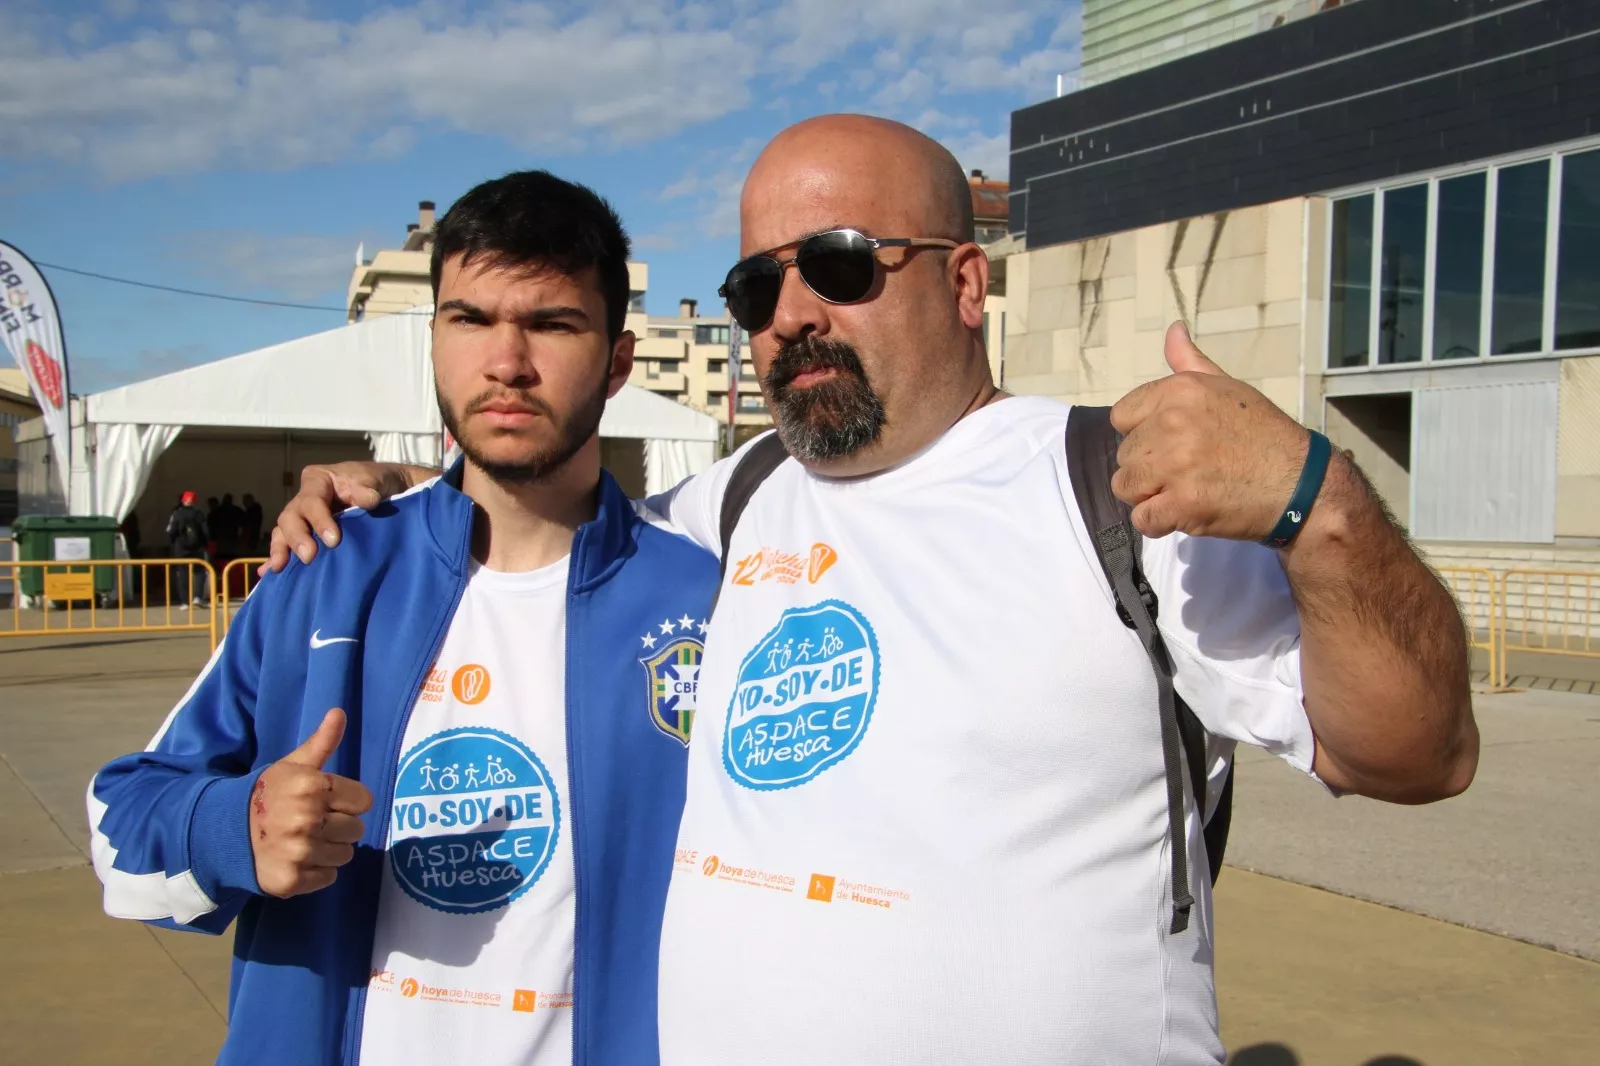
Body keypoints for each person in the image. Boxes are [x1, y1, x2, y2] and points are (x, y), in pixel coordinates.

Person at [269, 115, 1478, 1064]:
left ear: (963, 283)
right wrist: (381, 489)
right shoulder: (725, 508)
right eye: (754, 287)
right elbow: (531, 516)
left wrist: (1321, 507)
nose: (791, 313)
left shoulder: (1117, 488)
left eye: (840, 265)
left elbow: (1412, 755)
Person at [89, 171, 717, 1065]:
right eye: (470, 319)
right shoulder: (321, 572)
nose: (507, 362)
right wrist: (238, 826)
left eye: (551, 323)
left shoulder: (706, 599)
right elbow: (118, 835)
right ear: (432, 341)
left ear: (618, 361)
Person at [164, 490, 209, 607]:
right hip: (197, 548)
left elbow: (171, 531)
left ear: (183, 500)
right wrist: (205, 543)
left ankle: (184, 602)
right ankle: (198, 597)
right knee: (199, 572)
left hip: (181, 549)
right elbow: (206, 531)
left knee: (183, 574)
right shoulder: (199, 514)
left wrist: (174, 543)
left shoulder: (177, 514)